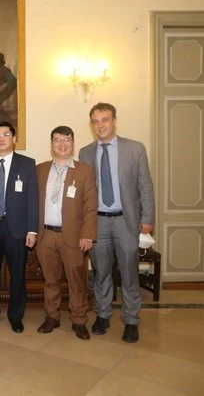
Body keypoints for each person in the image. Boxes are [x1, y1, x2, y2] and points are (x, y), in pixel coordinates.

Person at [79, 102, 155, 343]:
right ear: (91, 125)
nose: (100, 125)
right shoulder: (85, 152)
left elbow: (145, 185)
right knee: (100, 271)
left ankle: (131, 319)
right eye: (95, 121)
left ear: (114, 121)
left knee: (130, 272)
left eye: (105, 119)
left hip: (127, 221)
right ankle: (102, 314)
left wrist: (147, 218)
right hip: (98, 222)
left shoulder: (135, 149)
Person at [36, 126, 97, 340]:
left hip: (73, 237)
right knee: (50, 280)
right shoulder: (40, 169)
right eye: (57, 140)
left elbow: (90, 205)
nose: (62, 144)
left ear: (73, 143)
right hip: (45, 236)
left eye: (67, 140)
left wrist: (88, 235)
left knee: (76, 280)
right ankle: (51, 316)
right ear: (51, 144)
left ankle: (79, 320)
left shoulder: (84, 170)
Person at [0, 121, 38, 333]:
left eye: (6, 134)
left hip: (17, 229)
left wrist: (32, 230)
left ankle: (16, 316)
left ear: (14, 139)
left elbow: (33, 199)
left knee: (17, 275)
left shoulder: (27, 164)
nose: (1, 138)